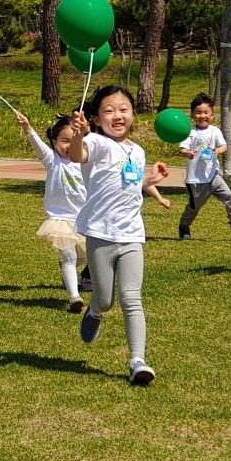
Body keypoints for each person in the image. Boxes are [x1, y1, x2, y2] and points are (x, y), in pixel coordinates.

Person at [69, 85, 168, 385]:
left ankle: (138, 361)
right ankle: (95, 311)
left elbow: (129, 183)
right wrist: (78, 134)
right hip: (100, 234)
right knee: (106, 299)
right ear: (96, 119)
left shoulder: (138, 151)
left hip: (132, 235)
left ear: (134, 114)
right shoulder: (97, 143)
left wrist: (150, 178)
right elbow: (77, 156)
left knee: (131, 298)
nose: (117, 116)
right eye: (109, 111)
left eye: (124, 109)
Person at [17, 111, 88, 313]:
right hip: (60, 219)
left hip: (83, 219)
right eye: (64, 141)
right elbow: (38, 146)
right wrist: (28, 128)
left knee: (84, 257)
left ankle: (69, 271)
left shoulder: (85, 163)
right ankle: (74, 297)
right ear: (55, 142)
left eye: (74, 140)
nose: (69, 146)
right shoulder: (53, 160)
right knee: (69, 257)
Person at [177, 93, 231, 240]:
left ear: (212, 115)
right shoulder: (189, 132)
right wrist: (187, 153)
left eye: (206, 112)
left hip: (213, 176)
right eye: (198, 112)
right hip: (196, 180)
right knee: (194, 207)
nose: (202, 116)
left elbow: (224, 146)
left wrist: (217, 151)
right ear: (192, 115)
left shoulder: (215, 131)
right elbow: (182, 149)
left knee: (230, 196)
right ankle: (184, 227)